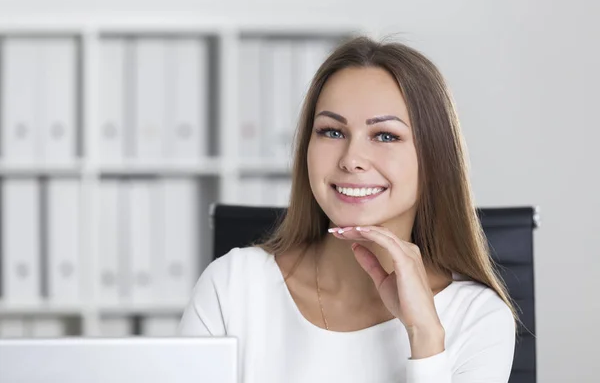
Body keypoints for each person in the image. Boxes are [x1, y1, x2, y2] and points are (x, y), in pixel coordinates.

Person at [178, 36, 517, 383]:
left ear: (434, 159)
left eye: (385, 135)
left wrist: (425, 338)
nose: (352, 159)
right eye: (331, 131)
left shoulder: (478, 318)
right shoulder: (232, 286)